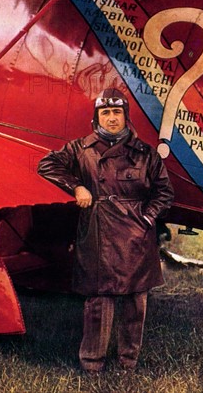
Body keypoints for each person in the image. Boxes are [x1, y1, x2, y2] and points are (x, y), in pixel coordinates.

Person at [37, 88, 174, 374]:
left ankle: (128, 363)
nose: (112, 119)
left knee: (136, 299)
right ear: (97, 117)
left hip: (136, 233)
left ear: (126, 116)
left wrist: (146, 219)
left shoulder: (146, 153)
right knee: (99, 298)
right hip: (98, 228)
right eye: (106, 113)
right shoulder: (81, 148)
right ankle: (92, 364)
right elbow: (46, 164)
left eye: (117, 112)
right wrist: (76, 185)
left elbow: (164, 193)